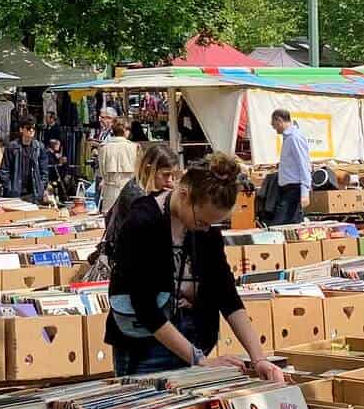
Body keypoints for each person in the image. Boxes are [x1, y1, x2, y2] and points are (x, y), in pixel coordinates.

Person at [104, 150, 288, 380]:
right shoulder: (142, 222)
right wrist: (200, 361)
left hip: (195, 340)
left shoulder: (207, 231)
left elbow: (226, 293)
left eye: (212, 224)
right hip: (144, 348)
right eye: (201, 221)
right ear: (184, 194)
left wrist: (259, 358)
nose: (204, 229)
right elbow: (146, 309)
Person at [270, 108, 310, 226]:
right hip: (288, 188)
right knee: (290, 224)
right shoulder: (289, 138)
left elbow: (304, 164)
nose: (274, 128)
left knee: (281, 224)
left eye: (274, 124)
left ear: (279, 120)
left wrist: (304, 192)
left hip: (294, 188)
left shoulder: (294, 137)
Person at [2, 117, 51, 204]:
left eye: (33, 128)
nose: (31, 130)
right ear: (21, 129)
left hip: (34, 193)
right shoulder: (12, 147)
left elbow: (44, 171)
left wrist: (41, 187)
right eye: (28, 128)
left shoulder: (39, 147)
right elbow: (5, 170)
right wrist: (9, 188)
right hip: (15, 193)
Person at [96, 117, 136, 214]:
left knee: (110, 222)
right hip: (129, 192)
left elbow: (101, 172)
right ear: (125, 130)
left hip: (110, 192)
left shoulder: (104, 148)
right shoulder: (133, 147)